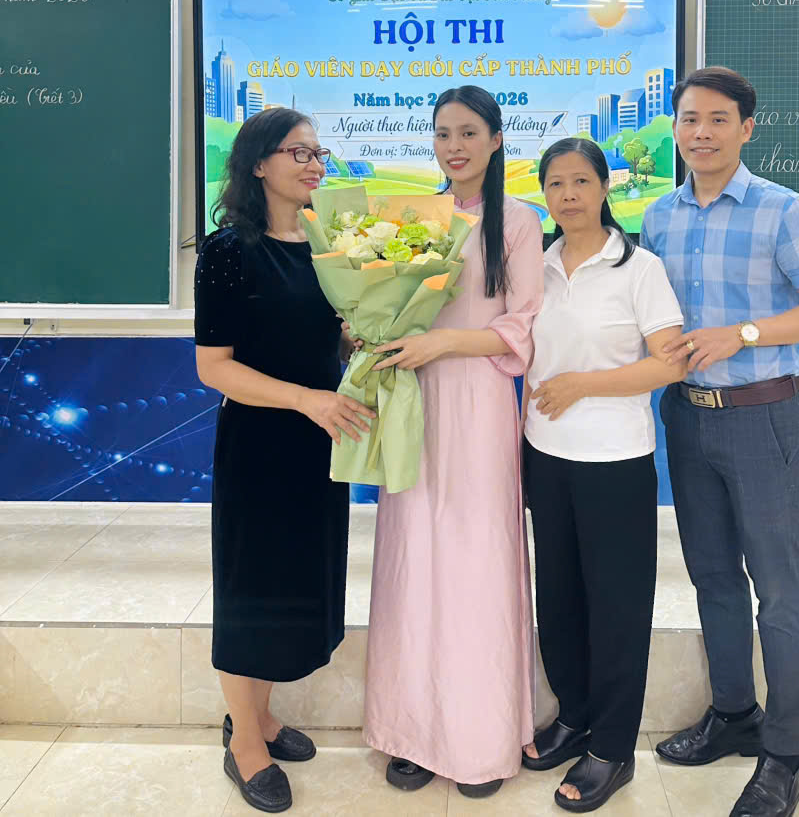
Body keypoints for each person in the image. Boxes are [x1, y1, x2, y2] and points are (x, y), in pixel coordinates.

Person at [640, 67, 799, 817]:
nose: (701, 132)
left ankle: (789, 754)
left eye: (718, 119)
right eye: (689, 119)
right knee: (712, 578)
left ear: (746, 128)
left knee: (777, 586)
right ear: (675, 128)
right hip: (685, 416)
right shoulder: (659, 217)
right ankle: (733, 713)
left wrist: (746, 333)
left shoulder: (781, 210)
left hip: (762, 417)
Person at [362, 85, 543, 798]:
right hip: (413, 399)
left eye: (468, 133)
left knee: (476, 563)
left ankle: (479, 737)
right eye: (442, 134)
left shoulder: (519, 222)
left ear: (496, 139)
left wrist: (443, 343)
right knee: (412, 562)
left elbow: (524, 326)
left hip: (479, 403)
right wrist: (368, 329)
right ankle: (411, 733)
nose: (454, 147)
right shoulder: (411, 219)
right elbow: (387, 305)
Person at [195, 108, 376, 814]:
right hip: (261, 446)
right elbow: (214, 366)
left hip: (318, 443)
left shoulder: (326, 244)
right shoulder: (228, 250)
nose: (314, 164)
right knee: (251, 592)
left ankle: (262, 716)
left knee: (294, 585)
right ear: (259, 163)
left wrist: (358, 342)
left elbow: (316, 337)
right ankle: (244, 742)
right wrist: (305, 398)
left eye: (318, 152)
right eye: (298, 152)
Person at [521, 138, 686, 813]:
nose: (568, 195)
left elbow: (671, 361)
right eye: (555, 183)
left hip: (615, 460)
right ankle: (574, 716)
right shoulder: (534, 266)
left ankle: (612, 747)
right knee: (559, 597)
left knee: (617, 606)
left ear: (604, 188)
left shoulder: (638, 267)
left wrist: (582, 384)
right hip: (543, 453)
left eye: (581, 181)